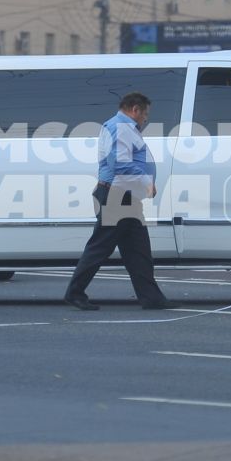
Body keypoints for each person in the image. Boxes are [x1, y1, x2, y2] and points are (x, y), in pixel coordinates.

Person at [64, 90, 171, 312]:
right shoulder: (122, 128)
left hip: (123, 196)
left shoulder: (117, 126)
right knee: (100, 247)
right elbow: (120, 165)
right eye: (145, 114)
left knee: (138, 251)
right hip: (118, 196)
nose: (146, 119)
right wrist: (146, 181)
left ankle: (152, 298)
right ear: (135, 109)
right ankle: (74, 292)